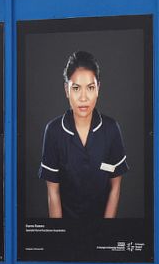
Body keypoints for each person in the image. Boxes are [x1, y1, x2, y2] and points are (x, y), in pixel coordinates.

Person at [39, 50, 128, 218]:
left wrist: (105, 231)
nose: (83, 97)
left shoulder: (111, 129)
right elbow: (53, 193)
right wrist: (59, 235)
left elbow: (115, 188)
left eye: (90, 88)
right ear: (66, 90)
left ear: (98, 89)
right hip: (66, 232)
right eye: (76, 88)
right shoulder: (54, 131)